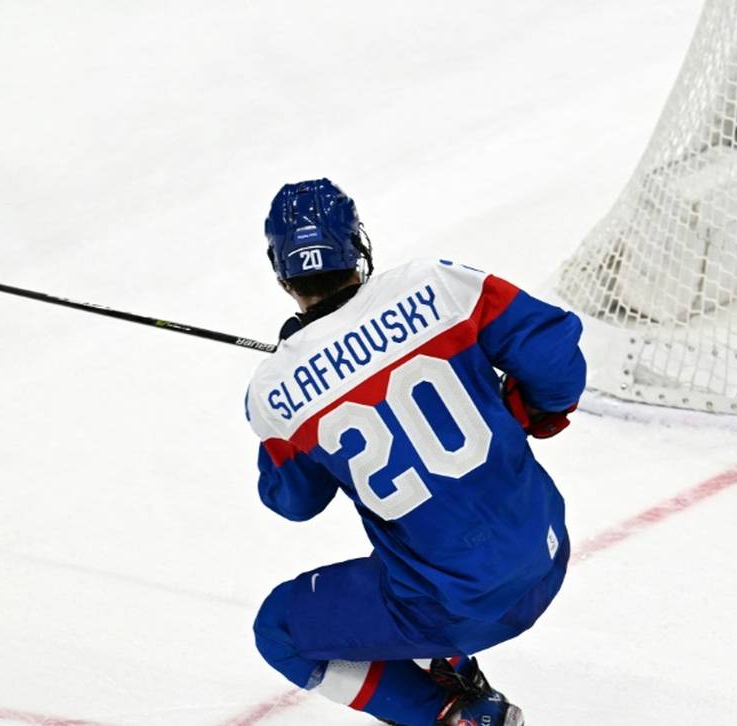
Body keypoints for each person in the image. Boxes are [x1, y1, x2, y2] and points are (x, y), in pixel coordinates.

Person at [245, 179, 585, 726]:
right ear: (358, 245)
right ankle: (454, 671)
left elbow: (294, 501)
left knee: (279, 629)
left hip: (448, 609)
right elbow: (555, 355)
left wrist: (293, 395)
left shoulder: (275, 388)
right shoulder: (439, 285)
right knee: (425, 550)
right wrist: (531, 413)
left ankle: (452, 718)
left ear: (281, 271)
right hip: (545, 554)